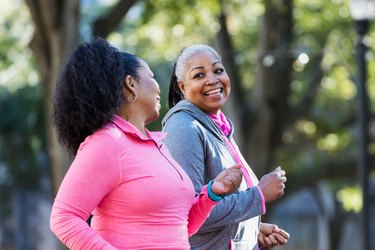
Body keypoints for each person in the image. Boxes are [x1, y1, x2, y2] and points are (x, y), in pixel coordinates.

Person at [49, 37, 244, 250]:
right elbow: (64, 218)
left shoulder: (157, 145)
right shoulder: (107, 142)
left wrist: (212, 193)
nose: (158, 87)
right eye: (151, 77)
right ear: (130, 84)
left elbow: (178, 226)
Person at [162, 44, 290, 250]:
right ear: (182, 87)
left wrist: (250, 229)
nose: (212, 79)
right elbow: (189, 214)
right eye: (199, 75)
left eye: (218, 70)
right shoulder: (184, 128)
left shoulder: (218, 126)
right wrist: (258, 195)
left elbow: (220, 209)